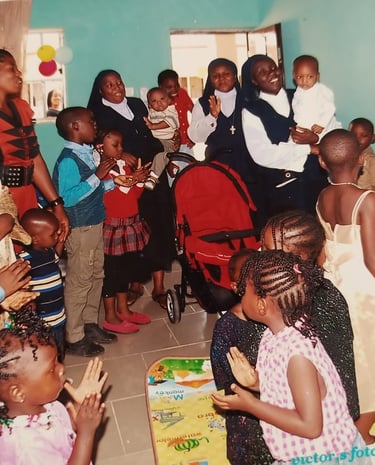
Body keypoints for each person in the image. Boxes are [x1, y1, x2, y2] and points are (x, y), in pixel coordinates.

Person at [212, 249, 369, 465]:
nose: (240, 295)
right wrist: (257, 382)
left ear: (261, 304)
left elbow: (310, 426)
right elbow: (284, 389)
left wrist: (250, 405)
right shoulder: (275, 333)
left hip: (324, 457)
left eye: (244, 291)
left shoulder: (298, 356)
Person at [87, 69, 176, 310]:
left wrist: (169, 148)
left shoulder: (137, 104)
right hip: (128, 175)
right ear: (100, 90)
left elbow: (155, 130)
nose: (117, 87)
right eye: (109, 85)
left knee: (158, 225)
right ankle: (135, 284)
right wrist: (128, 159)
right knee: (134, 229)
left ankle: (158, 286)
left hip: (152, 171)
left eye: (119, 82)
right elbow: (102, 142)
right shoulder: (98, 111)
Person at [316, 128, 375, 445]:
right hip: (362, 289)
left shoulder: (323, 197)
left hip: (332, 284)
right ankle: (362, 427)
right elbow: (372, 262)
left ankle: (341, 406)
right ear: (363, 160)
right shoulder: (367, 200)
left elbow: (325, 247)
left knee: (347, 352)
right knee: (369, 354)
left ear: (322, 163)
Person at [52, 106, 120, 357]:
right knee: (80, 280)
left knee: (95, 275)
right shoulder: (69, 159)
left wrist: (113, 182)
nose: (95, 125)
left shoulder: (85, 153)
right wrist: (98, 176)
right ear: (75, 127)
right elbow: (66, 199)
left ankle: (90, 323)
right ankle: (74, 335)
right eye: (90, 121)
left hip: (94, 223)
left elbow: (93, 190)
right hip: (80, 228)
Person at [0, 309, 106, 465]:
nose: (61, 368)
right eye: (51, 369)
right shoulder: (27, 445)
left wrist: (79, 409)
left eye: (57, 360)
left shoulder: (39, 403)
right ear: (18, 392)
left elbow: (59, 427)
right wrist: (86, 433)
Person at [241, 54, 328, 223]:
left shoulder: (302, 96)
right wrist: (309, 148)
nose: (272, 73)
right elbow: (262, 154)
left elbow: (329, 130)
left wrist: (315, 138)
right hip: (284, 189)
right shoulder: (252, 111)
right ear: (254, 80)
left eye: (274, 68)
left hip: (316, 180)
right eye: (263, 72)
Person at [210, 249, 272, 465]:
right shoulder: (227, 326)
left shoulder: (275, 316)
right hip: (245, 405)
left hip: (275, 396)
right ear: (235, 287)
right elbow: (222, 368)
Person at [0, 49, 69, 243]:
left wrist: (56, 204)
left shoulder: (21, 108)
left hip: (25, 195)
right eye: (11, 69)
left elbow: (33, 157)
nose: (19, 74)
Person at [188, 58, 262, 227]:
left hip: (248, 164)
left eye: (226, 74)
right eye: (216, 76)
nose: (221, 79)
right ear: (210, 78)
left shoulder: (251, 99)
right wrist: (212, 117)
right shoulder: (202, 103)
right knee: (224, 213)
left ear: (235, 77)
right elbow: (195, 137)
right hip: (218, 165)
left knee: (252, 211)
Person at [96, 128, 152, 334]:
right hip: (113, 226)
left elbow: (133, 195)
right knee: (112, 272)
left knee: (126, 270)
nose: (121, 149)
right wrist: (133, 180)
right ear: (101, 147)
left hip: (130, 224)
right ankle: (110, 315)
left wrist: (140, 180)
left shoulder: (123, 167)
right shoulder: (100, 172)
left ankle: (123, 309)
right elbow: (110, 196)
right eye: (115, 145)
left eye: (121, 144)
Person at [19, 208, 66, 361]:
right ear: (36, 239)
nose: (56, 236)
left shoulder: (48, 251)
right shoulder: (25, 261)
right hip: (41, 322)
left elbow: (55, 259)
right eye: (53, 234)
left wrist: (61, 241)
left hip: (58, 315)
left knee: (59, 352)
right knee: (44, 356)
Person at [292, 55, 341, 137]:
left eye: (310, 77)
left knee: (327, 142)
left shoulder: (322, 91)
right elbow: (296, 106)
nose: (304, 81)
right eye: (300, 77)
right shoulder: (298, 91)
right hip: (306, 125)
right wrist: (299, 122)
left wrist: (322, 124)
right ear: (294, 76)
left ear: (317, 76)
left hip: (323, 126)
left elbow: (330, 109)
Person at [143, 87, 179, 190]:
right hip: (156, 141)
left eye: (162, 99)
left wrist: (153, 126)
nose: (159, 103)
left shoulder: (170, 111)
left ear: (168, 100)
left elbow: (168, 122)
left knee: (161, 156)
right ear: (149, 105)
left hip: (168, 141)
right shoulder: (152, 113)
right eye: (154, 101)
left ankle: (153, 177)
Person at [158, 68, 194, 155]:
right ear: (160, 87)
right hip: (170, 145)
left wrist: (194, 136)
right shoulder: (158, 101)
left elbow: (195, 112)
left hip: (187, 142)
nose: (174, 89)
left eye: (176, 85)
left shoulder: (182, 93)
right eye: (169, 87)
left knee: (189, 167)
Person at [349, 117, 375, 189]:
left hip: (365, 197)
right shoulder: (346, 154)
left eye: (364, 136)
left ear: (372, 138)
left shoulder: (372, 161)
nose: (357, 139)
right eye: (353, 135)